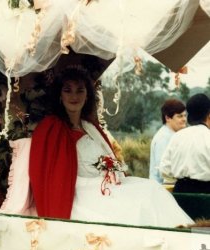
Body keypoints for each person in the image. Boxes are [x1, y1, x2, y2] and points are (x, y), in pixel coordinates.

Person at [29, 65, 193, 227]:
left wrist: (111, 172)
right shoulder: (52, 127)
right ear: (60, 95)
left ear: (87, 95)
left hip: (107, 185)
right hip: (80, 192)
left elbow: (109, 158)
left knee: (153, 188)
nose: (74, 96)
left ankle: (183, 238)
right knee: (140, 203)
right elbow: (51, 174)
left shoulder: (90, 126)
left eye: (80, 90)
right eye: (68, 90)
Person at [160, 93, 210, 193]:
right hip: (206, 195)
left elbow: (164, 169)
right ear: (208, 115)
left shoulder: (177, 137)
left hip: (181, 193)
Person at [149, 99, 186, 183]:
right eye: (180, 116)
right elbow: (162, 171)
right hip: (162, 190)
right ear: (167, 118)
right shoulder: (163, 138)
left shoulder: (174, 135)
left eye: (185, 115)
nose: (184, 119)